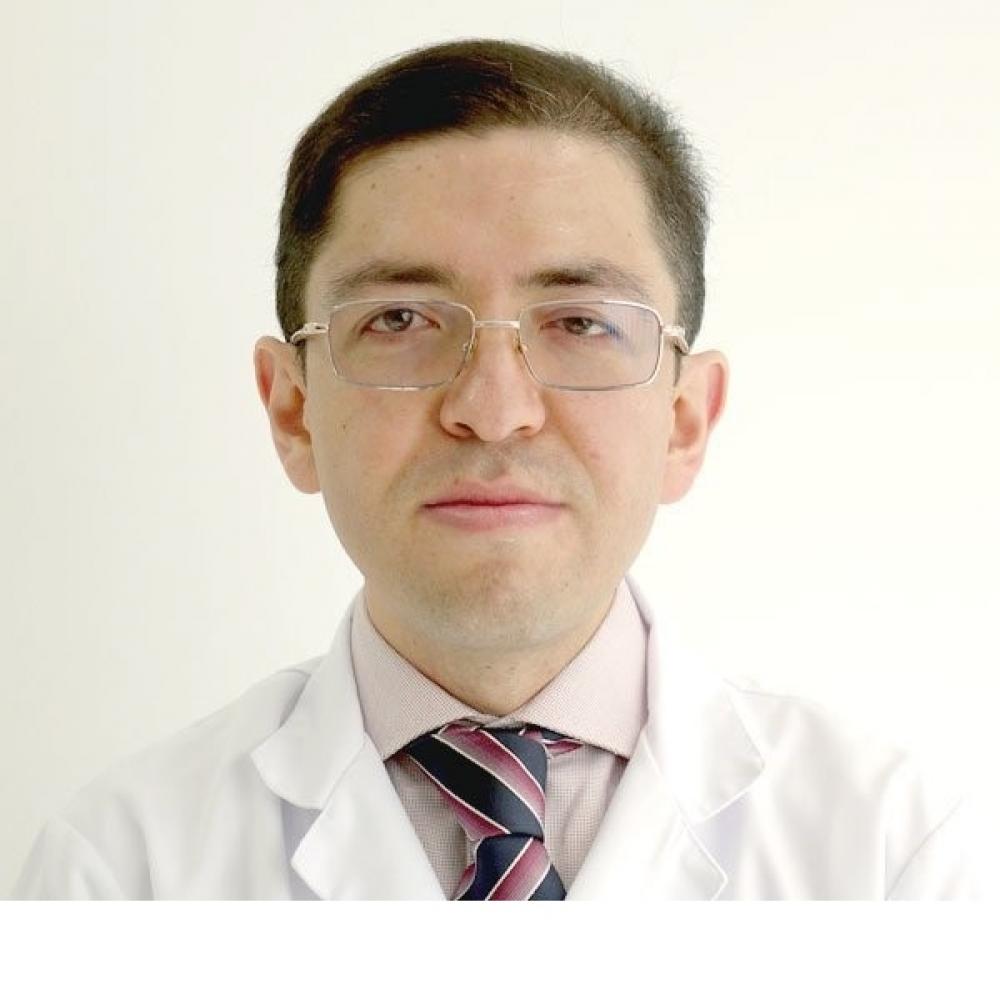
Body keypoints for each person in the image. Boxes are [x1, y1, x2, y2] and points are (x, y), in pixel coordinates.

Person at [12, 38, 979, 900]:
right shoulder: (118, 872)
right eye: (399, 321)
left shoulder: (897, 858)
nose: (494, 410)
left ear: (686, 418)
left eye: (580, 324)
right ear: (292, 407)